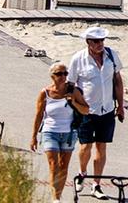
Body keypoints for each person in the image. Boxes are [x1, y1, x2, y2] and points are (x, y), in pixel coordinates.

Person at [67, 27, 125, 200]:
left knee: (101, 146)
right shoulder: (78, 59)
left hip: (106, 109)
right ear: (88, 42)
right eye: (96, 41)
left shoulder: (111, 56)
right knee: (86, 146)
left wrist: (121, 106)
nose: (100, 44)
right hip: (87, 111)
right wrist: (76, 106)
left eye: (102, 41)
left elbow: (118, 81)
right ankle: (82, 173)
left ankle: (96, 185)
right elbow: (71, 85)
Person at [32, 63, 91, 203]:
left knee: (63, 166)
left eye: (65, 73)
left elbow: (86, 110)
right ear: (52, 76)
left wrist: (74, 103)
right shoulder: (45, 93)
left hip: (69, 133)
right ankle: (55, 199)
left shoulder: (74, 91)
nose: (63, 77)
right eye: (59, 74)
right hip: (50, 131)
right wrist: (33, 136)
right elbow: (39, 115)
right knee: (54, 164)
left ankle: (59, 194)